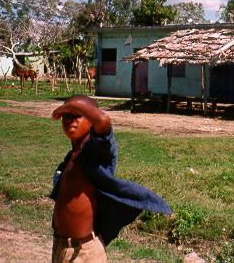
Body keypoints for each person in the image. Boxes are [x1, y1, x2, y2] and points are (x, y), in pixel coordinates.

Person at [49, 95, 171, 262]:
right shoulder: (72, 157)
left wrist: (73, 105)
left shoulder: (96, 153)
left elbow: (103, 121)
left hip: (83, 252)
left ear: (91, 120)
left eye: (78, 115)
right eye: (67, 116)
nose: (71, 120)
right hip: (61, 246)